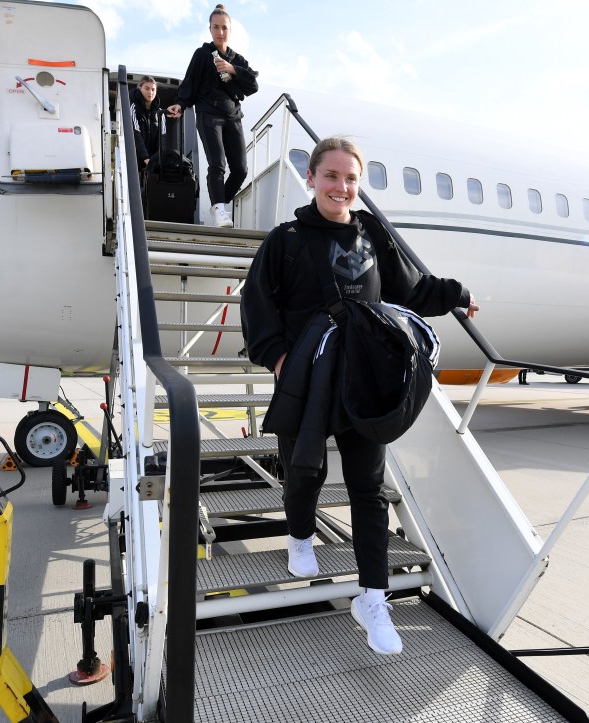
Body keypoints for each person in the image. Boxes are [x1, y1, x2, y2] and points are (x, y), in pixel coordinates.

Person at [241, 137, 479, 656]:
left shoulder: (371, 233)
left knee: (367, 490)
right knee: (303, 470)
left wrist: (456, 293)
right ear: (311, 178)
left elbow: (411, 289)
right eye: (331, 176)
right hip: (306, 374)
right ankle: (300, 536)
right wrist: (279, 359)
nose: (341, 187)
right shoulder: (286, 239)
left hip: (362, 376)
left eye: (351, 179)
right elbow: (257, 304)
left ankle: (373, 597)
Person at [166, 4, 258, 229]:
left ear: (230, 30)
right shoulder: (202, 54)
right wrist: (180, 103)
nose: (220, 32)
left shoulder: (237, 59)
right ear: (210, 29)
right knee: (217, 164)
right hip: (208, 113)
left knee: (240, 169)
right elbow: (189, 82)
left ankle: (220, 205)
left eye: (224, 27)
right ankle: (219, 210)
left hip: (233, 115)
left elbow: (253, 85)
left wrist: (232, 69)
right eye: (216, 27)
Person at [130, 75, 164, 171]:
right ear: (139, 88)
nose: (150, 92)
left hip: (154, 162)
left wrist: (157, 160)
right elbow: (135, 133)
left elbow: (162, 138)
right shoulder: (133, 108)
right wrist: (145, 158)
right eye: (147, 88)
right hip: (136, 158)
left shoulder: (160, 112)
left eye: (153, 89)